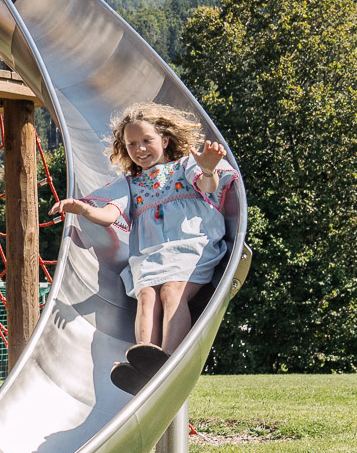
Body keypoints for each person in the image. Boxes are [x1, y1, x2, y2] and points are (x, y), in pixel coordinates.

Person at [52, 102, 235, 392]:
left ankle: (170, 360)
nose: (140, 149)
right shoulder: (129, 183)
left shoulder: (185, 166)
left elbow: (208, 186)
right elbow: (110, 215)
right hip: (151, 256)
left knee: (173, 292)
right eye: (132, 144)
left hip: (190, 246)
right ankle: (145, 358)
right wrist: (84, 210)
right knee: (148, 295)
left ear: (164, 140)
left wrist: (209, 168)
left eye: (146, 141)